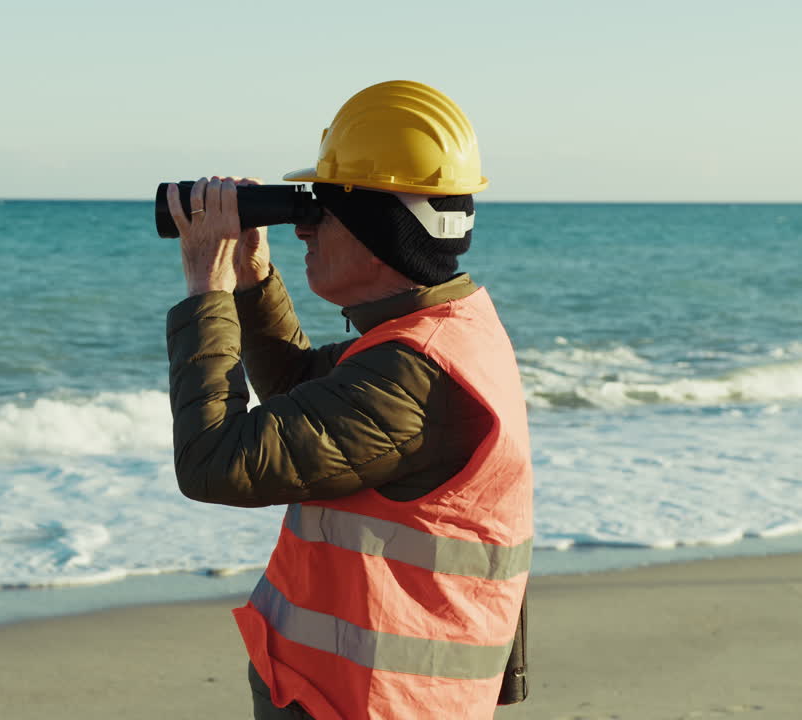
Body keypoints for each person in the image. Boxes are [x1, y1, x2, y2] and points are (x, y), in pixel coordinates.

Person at [163, 80, 532, 720]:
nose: (304, 228)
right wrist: (252, 277)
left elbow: (213, 461)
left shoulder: (414, 376)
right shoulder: (441, 334)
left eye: (320, 208)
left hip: (376, 705)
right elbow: (305, 398)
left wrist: (208, 287)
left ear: (378, 228)